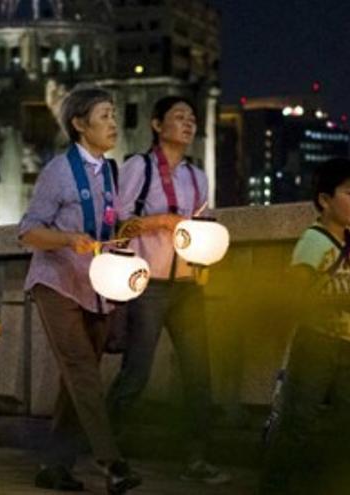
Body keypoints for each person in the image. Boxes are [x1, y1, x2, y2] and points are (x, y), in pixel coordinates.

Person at [19, 87, 142, 493]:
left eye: (113, 115)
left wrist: (126, 230)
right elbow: (28, 231)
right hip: (56, 283)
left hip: (95, 284)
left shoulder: (109, 170)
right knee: (82, 370)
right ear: (78, 124)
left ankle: (54, 466)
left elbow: (108, 223)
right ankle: (113, 463)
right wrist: (67, 239)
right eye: (104, 115)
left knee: (77, 379)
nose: (113, 124)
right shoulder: (58, 170)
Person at [105, 95, 230, 485]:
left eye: (192, 118)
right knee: (135, 374)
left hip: (188, 285)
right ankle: (107, 454)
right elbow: (119, 223)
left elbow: (203, 226)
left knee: (199, 375)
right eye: (179, 117)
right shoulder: (137, 168)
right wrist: (163, 220)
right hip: (148, 284)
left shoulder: (197, 176)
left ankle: (197, 459)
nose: (189, 124)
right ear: (157, 125)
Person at [260, 158, 350, 494]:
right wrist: (338, 304)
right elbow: (294, 297)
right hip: (315, 345)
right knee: (298, 424)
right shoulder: (313, 242)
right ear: (324, 200)